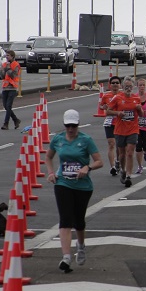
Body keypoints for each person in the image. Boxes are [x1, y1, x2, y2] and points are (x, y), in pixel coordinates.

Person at [44, 110, 103, 272]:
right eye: (68, 125)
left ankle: (81, 246)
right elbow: (48, 157)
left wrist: (88, 167)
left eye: (74, 126)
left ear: (78, 124)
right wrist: (50, 173)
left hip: (83, 186)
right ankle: (66, 257)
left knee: (79, 221)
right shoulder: (58, 139)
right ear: (64, 125)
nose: (71, 129)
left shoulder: (86, 140)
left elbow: (99, 161)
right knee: (65, 219)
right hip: (63, 183)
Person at [107, 76, 143, 188]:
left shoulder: (136, 99)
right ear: (123, 87)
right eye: (126, 86)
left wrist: (139, 109)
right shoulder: (117, 98)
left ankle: (128, 175)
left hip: (133, 129)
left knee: (130, 152)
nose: (128, 88)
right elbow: (108, 111)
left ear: (133, 87)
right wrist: (118, 113)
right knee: (122, 154)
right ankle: (122, 169)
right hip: (120, 130)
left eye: (130, 86)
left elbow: (141, 115)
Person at [100, 76, 122, 176]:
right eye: (113, 83)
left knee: (119, 146)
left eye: (117, 83)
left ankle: (118, 161)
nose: (115, 85)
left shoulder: (122, 95)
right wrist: (103, 107)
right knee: (111, 144)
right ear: (110, 85)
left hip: (120, 123)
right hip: (109, 123)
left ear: (120, 85)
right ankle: (112, 166)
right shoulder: (106, 96)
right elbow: (101, 106)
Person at [0, 50, 21, 130]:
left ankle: (6, 123)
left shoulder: (16, 65)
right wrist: (3, 70)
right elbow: (2, 76)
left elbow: (13, 75)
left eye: (8, 55)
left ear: (12, 56)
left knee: (8, 106)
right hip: (5, 88)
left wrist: (8, 69)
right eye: (6, 55)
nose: (7, 57)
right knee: (6, 106)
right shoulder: (4, 64)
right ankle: (16, 120)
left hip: (12, 87)